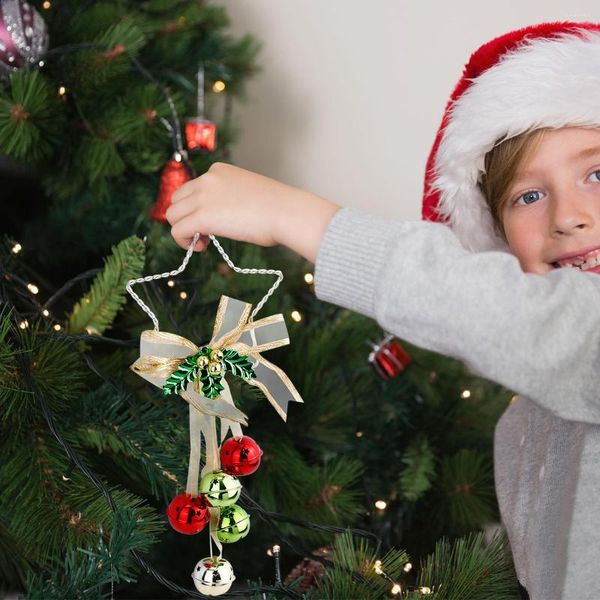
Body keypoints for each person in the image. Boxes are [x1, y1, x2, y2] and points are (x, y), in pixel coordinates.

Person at [166, 22, 600, 599]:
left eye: (597, 173)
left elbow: (554, 327)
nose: (567, 216)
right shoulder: (521, 430)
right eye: (528, 195)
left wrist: (296, 218)